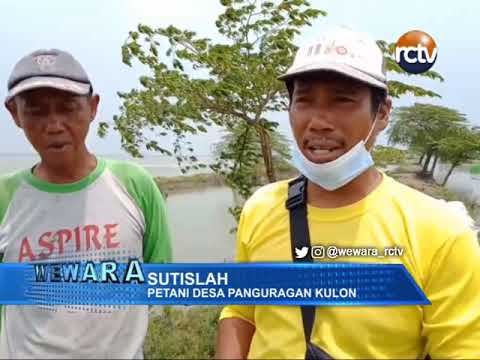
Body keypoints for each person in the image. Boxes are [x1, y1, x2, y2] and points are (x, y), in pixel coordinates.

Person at [216, 27, 480, 359]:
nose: (318, 121)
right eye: (305, 100)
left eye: (342, 100)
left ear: (382, 113)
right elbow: (240, 313)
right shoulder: (261, 207)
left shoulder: (441, 232)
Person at [0, 49, 172, 358]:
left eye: (68, 108)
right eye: (36, 111)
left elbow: (159, 280)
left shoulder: (135, 185)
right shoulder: (5, 197)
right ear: (14, 113)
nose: (54, 125)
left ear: (93, 108)